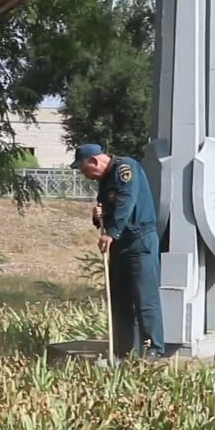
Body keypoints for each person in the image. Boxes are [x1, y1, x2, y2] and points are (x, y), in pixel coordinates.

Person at [71, 143, 164, 360]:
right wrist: (98, 216)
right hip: (118, 244)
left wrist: (111, 232)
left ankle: (154, 348)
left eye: (85, 170)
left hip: (140, 241)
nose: (86, 176)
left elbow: (125, 202)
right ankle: (124, 351)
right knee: (120, 300)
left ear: (93, 160)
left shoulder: (125, 168)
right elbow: (107, 214)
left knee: (145, 297)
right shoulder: (103, 182)